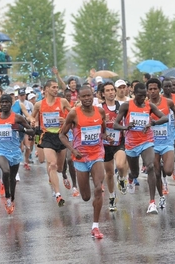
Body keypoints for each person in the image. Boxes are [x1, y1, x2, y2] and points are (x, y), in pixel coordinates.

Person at [59, 86, 113, 239]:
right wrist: (72, 150)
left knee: (98, 188)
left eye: (89, 95)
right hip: (80, 157)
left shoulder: (100, 112)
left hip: (97, 155)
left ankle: (95, 226)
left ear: (93, 95)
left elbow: (102, 131)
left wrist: (105, 136)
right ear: (79, 99)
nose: (87, 98)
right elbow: (62, 135)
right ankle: (93, 202)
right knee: (85, 197)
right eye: (84, 96)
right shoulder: (74, 114)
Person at [113, 82, 168, 214]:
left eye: (145, 95)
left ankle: (152, 203)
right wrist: (126, 127)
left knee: (151, 166)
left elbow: (165, 118)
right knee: (135, 172)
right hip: (131, 144)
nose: (143, 98)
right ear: (133, 94)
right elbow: (115, 124)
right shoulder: (127, 106)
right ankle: (130, 178)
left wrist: (153, 122)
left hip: (146, 141)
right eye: (140, 95)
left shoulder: (149, 106)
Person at [0, 94, 35, 214]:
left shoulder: (18, 118)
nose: (4, 104)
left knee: (13, 178)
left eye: (6, 102)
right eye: (2, 102)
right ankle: (7, 196)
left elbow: (32, 132)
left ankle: (12, 198)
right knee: (6, 171)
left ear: (11, 104)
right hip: (0, 151)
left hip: (14, 152)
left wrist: (21, 129)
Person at [32, 79, 72, 206]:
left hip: (61, 136)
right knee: (52, 164)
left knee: (59, 168)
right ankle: (58, 195)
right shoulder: (39, 104)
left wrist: (65, 120)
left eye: (57, 87)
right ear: (46, 89)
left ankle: (57, 176)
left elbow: (75, 116)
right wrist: (33, 122)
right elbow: (33, 117)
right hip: (47, 136)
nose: (56, 90)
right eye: (54, 87)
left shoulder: (63, 101)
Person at [146, 78, 175, 207]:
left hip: (167, 142)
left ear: (159, 89)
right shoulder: (145, 106)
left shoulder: (168, 102)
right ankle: (161, 197)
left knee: (167, 171)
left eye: (155, 88)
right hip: (152, 144)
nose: (153, 91)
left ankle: (165, 166)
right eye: (150, 89)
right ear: (147, 91)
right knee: (156, 173)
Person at [99, 82, 129, 211]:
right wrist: (102, 121)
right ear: (103, 93)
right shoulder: (99, 108)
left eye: (112, 90)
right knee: (109, 173)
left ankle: (122, 178)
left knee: (121, 165)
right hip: (105, 144)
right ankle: (112, 196)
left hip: (119, 142)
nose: (111, 92)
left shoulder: (122, 106)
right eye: (108, 90)